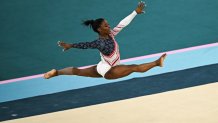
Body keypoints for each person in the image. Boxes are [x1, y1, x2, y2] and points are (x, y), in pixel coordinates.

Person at [44, 1, 167, 80]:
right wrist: (71, 45)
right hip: (109, 70)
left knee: (78, 71)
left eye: (108, 24)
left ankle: (56, 72)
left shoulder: (111, 34)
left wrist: (135, 12)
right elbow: (86, 45)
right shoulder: (100, 43)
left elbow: (122, 24)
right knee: (133, 67)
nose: (109, 26)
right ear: (99, 30)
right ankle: (157, 63)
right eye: (106, 26)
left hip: (102, 66)